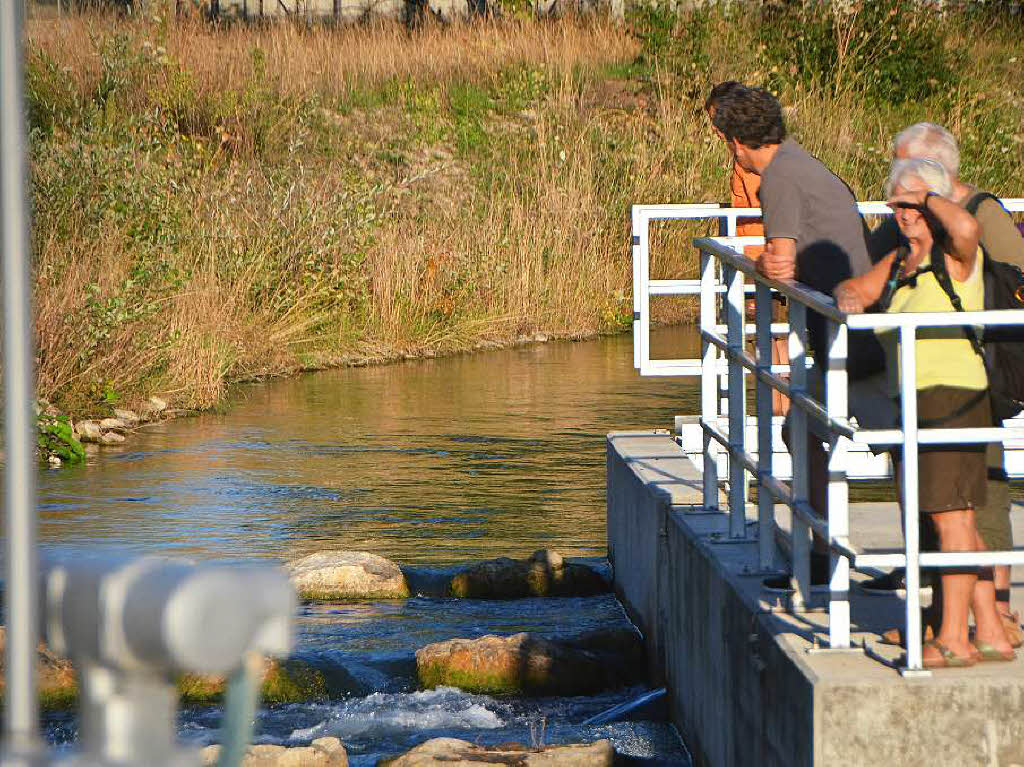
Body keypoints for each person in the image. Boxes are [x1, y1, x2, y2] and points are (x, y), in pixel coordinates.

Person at [834, 158, 1014, 667]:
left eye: (911, 203)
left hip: (951, 397)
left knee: (951, 520)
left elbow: (967, 226)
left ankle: (954, 637)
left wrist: (926, 198)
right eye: (895, 203)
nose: (901, 212)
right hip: (916, 400)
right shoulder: (901, 260)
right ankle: (993, 632)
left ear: (935, 203)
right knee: (957, 521)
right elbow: (855, 290)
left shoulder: (954, 253)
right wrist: (845, 298)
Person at [709, 87, 890, 591]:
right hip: (853, 331)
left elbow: (782, 263)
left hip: (855, 341)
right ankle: (821, 551)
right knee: (804, 432)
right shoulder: (800, 162)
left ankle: (824, 556)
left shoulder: (781, 178)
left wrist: (761, 263)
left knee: (851, 438)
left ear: (734, 140)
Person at [705, 82, 789, 416]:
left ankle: (780, 413)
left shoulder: (750, 160)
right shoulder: (758, 152)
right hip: (764, 259)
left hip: (760, 263)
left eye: (716, 119)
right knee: (776, 341)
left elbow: (763, 200)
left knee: (769, 342)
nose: (713, 129)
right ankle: (784, 412)